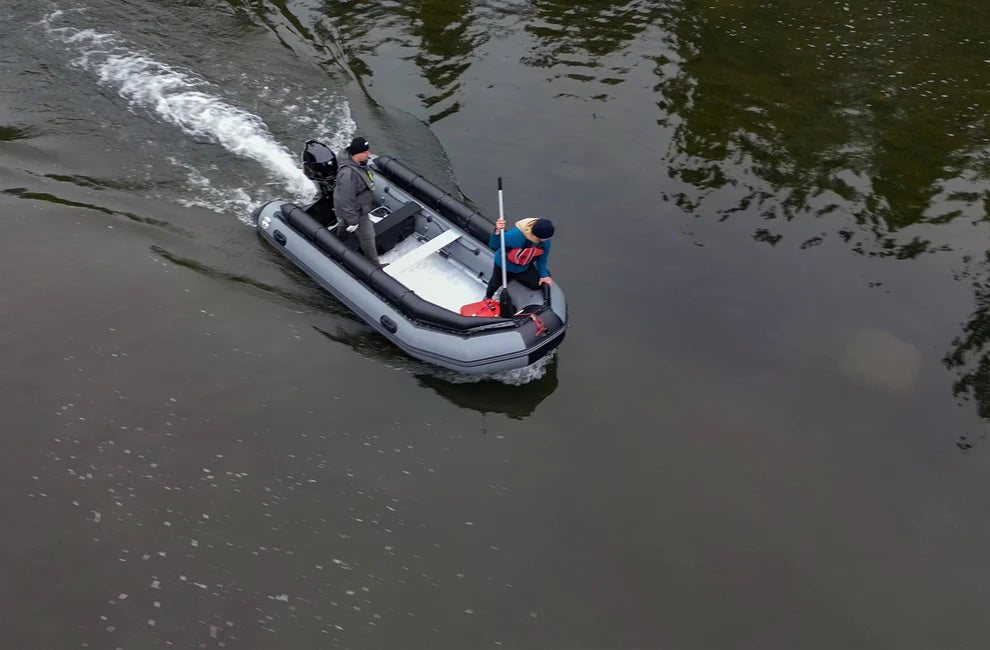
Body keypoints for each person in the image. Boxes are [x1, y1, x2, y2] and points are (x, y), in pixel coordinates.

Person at [333, 135, 384, 267]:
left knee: (344, 224)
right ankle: (375, 265)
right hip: (356, 210)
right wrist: (353, 220)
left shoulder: (358, 165)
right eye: (365, 152)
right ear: (357, 154)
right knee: (368, 236)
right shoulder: (348, 175)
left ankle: (338, 240)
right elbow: (345, 199)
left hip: (356, 207)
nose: (368, 154)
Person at [485, 217, 554, 299]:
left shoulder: (545, 242)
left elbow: (542, 258)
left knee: (535, 285)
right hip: (504, 265)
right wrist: (497, 232)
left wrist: (544, 275)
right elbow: (493, 245)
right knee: (495, 283)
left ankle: (513, 282)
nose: (546, 240)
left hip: (523, 267)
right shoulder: (514, 235)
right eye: (543, 239)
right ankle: (487, 297)